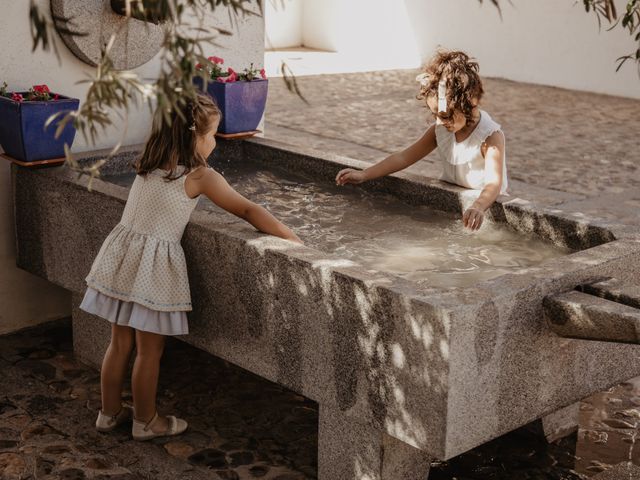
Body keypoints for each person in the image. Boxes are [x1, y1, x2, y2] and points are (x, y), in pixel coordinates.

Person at [80, 93, 301, 441]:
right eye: (212, 134)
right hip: (152, 269)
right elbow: (248, 210)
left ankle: (107, 414)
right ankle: (146, 421)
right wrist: (293, 239)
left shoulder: (150, 161)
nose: (215, 141)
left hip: (121, 257)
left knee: (119, 344)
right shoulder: (200, 176)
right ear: (195, 137)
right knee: (149, 351)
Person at [336, 49, 508, 231]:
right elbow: (403, 157)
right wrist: (365, 174)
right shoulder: (441, 129)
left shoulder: (490, 137)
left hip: (483, 212)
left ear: (468, 104)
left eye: (446, 115)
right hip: (453, 208)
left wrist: (478, 206)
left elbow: (493, 183)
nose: (440, 122)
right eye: (435, 115)